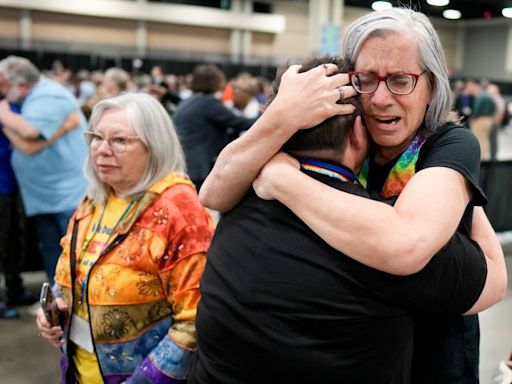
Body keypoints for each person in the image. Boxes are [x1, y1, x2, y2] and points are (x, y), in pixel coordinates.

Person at [199, 7, 506, 384]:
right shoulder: (339, 132)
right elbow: (214, 191)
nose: (379, 99)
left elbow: (405, 245)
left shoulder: (447, 144)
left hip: (434, 350)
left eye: (400, 80)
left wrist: (282, 180)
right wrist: (280, 116)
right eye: (366, 79)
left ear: (432, 85)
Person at [35, 93, 214, 383]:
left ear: (154, 147)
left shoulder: (180, 211)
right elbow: (72, 273)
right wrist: (54, 308)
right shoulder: (96, 198)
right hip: (81, 371)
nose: (102, 150)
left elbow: (194, 321)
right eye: (96, 137)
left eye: (119, 140)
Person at [0, 56, 88, 286]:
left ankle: (79, 309)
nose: (2, 90)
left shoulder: (50, 95)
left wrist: (4, 116)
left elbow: (29, 136)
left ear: (21, 84)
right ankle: (56, 304)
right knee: (52, 251)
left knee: (75, 253)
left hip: (66, 195)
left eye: (4, 85)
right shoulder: (31, 98)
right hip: (46, 194)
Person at [173, 64, 258, 191]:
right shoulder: (209, 103)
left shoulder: (191, 100)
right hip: (197, 166)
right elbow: (240, 123)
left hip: (185, 162)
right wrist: (266, 116)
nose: (234, 92)